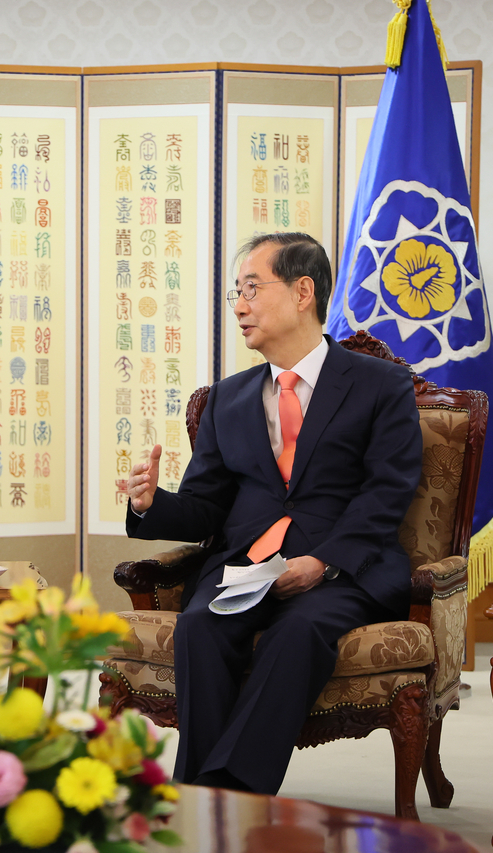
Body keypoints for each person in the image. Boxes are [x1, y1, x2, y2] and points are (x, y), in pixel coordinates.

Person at [124, 232, 422, 795]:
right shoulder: (227, 399)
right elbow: (206, 508)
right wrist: (150, 504)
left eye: (252, 289)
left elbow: (387, 492)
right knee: (199, 627)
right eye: (236, 293)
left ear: (303, 292)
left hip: (343, 571)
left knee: (298, 631)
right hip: (247, 569)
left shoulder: (380, 384)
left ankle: (216, 793)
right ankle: (217, 797)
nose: (239, 306)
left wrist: (322, 563)